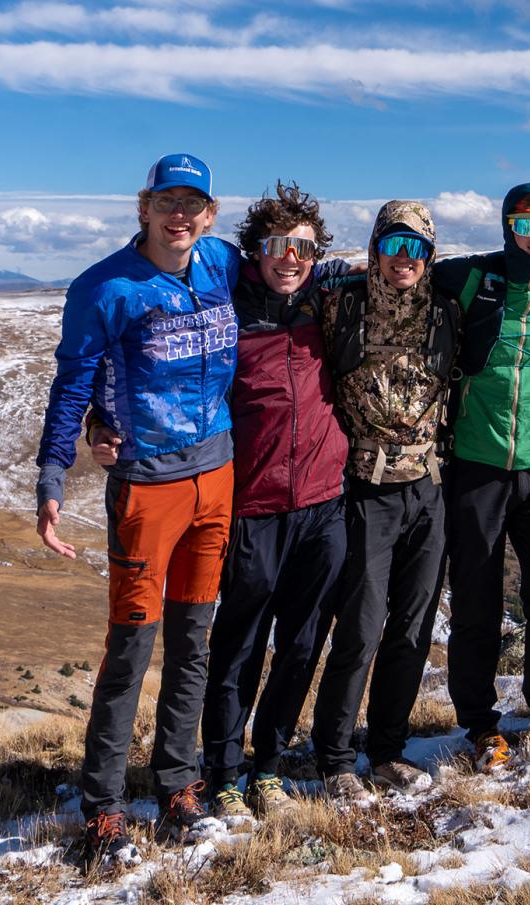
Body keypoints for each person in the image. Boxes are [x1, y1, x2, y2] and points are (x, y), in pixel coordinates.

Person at [34, 153, 240, 865]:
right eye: (167, 201)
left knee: (193, 640)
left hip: (216, 474)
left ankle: (179, 784)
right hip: (146, 487)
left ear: (210, 214)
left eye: (194, 203)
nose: (180, 215)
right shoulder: (103, 287)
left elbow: (292, 275)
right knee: (131, 646)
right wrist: (54, 476)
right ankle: (104, 807)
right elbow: (71, 384)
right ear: (144, 207)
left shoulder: (223, 264)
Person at [197, 183, 352, 818]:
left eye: (305, 248)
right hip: (253, 510)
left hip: (323, 506)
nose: (291, 258)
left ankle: (269, 764)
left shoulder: (328, 305)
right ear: (255, 250)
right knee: (238, 641)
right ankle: (223, 770)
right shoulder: (227, 314)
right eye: (278, 246)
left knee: (301, 641)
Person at [432, 184, 530, 771]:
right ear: (507, 227)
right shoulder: (474, 278)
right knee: (476, 601)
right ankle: (478, 722)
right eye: (528, 224)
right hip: (475, 465)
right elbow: (407, 272)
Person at [310, 201, 458, 800]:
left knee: (413, 626)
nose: (405, 257)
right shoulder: (341, 304)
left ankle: (388, 749)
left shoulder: (448, 310)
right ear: (375, 249)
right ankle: (336, 758)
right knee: (362, 627)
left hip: (428, 487)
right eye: (393, 244)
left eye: (416, 247)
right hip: (366, 489)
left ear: (430, 255)